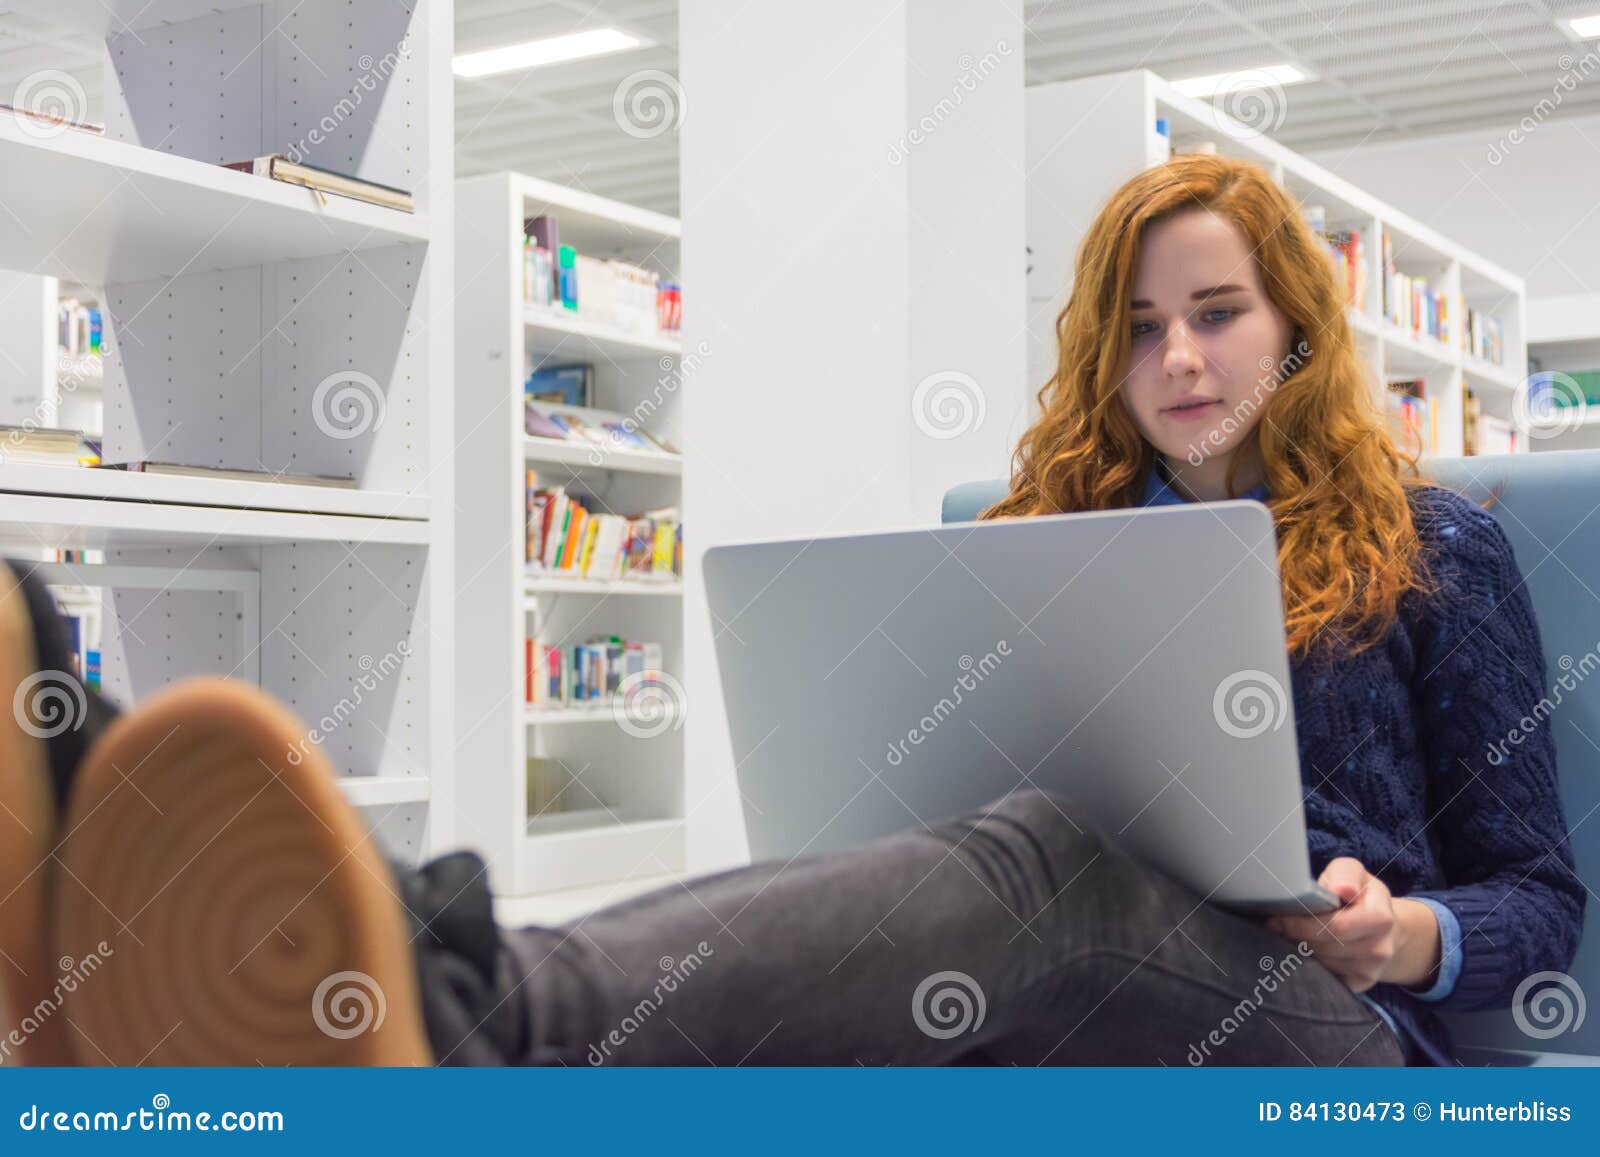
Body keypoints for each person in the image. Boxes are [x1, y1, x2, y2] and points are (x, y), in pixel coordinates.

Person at [0, 154, 1582, 1068]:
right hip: (1078, 960)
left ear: (1299, 325)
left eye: (1220, 315)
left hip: (1337, 1027)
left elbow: (1541, 896)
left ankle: (442, 995)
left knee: (1033, 868)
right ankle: (194, 966)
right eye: (1142, 328)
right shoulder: (1054, 541)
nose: (1180, 359)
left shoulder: (1438, 545)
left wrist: (1407, 933)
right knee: (955, 887)